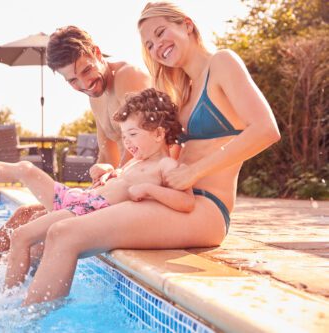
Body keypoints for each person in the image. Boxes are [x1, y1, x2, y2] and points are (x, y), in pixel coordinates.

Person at [16, 1, 280, 306]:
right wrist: (118, 172)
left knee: (65, 235)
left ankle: (26, 324)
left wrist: (193, 172)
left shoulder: (222, 63)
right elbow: (157, 151)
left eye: (161, 32)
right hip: (167, 198)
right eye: (149, 44)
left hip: (205, 209)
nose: (157, 46)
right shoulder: (183, 87)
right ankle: (16, 305)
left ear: (186, 24)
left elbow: (265, 129)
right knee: (47, 229)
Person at [0, 88, 194, 289]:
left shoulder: (166, 165)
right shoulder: (138, 162)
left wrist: (151, 191)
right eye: (124, 136)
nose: (128, 143)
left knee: (22, 235)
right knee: (25, 169)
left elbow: (186, 202)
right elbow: (121, 183)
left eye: (133, 135)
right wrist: (111, 171)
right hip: (79, 200)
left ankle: (8, 297)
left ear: (159, 134)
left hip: (87, 212)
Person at [0, 26, 152, 266]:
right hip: (120, 186)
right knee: (25, 214)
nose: (85, 83)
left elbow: (141, 146)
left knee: (42, 230)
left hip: (142, 190)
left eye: (86, 70)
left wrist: (104, 187)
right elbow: (108, 152)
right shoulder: (97, 96)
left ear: (96, 52)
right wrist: (101, 174)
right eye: (73, 80)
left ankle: (3, 292)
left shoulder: (129, 76)